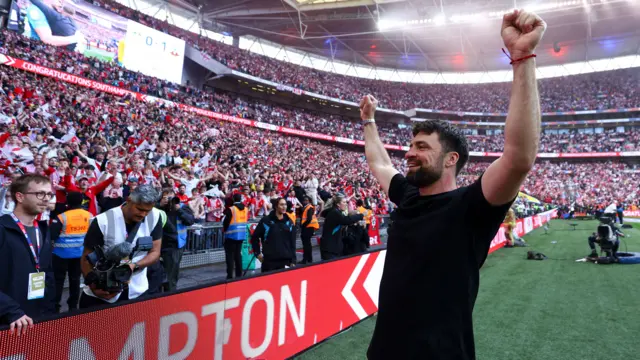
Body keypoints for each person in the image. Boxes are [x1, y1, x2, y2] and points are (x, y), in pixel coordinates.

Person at [362, 10, 546, 359]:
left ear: (451, 159)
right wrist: (369, 121)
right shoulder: (408, 195)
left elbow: (519, 156)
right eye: (411, 145)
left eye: (421, 147)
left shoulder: (471, 207)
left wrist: (522, 58)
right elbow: (380, 163)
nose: (410, 153)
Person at [79, 185, 162, 309]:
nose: (143, 214)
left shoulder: (155, 216)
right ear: (128, 200)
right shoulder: (102, 221)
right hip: (102, 294)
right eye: (139, 209)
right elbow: (86, 257)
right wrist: (93, 285)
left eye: (147, 211)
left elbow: (155, 251)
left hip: (137, 291)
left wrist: (134, 266)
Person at [0, 174, 56, 335]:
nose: (46, 199)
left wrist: (50, 311)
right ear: (20, 196)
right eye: (40, 194)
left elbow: (47, 272)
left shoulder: (43, 230)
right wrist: (11, 311)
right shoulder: (3, 228)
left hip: (37, 318)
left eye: (49, 194)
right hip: (9, 322)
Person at [49, 191, 92, 312]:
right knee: (75, 279)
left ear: (68, 202)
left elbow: (52, 235)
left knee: (58, 280)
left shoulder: (62, 217)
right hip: (79, 254)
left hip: (60, 254)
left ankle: (55, 306)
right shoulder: (89, 215)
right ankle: (73, 306)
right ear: (81, 201)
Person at [157, 189, 195, 292]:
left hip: (175, 246)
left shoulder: (182, 207)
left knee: (171, 274)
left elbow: (190, 221)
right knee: (157, 274)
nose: (169, 200)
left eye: (171, 197)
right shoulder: (159, 208)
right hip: (158, 245)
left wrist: (179, 210)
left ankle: (170, 294)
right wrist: (160, 205)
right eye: (166, 197)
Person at [251, 198, 296, 273]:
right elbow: (254, 238)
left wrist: (293, 261)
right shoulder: (265, 221)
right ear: (276, 206)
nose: (284, 207)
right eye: (281, 205)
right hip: (269, 262)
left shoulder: (289, 222)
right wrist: (257, 253)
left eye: (285, 204)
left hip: (286, 261)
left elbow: (292, 242)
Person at [319, 194, 364, 260]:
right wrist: (361, 215)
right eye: (344, 202)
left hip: (334, 248)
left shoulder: (336, 212)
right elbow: (346, 220)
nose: (346, 204)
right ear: (338, 204)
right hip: (330, 249)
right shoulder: (334, 212)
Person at [222, 193, 248, 279]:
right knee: (238, 255)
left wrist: (225, 230)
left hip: (231, 236)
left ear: (233, 199)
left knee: (230, 256)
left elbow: (226, 222)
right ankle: (239, 274)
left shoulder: (231, 209)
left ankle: (230, 275)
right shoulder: (246, 209)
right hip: (241, 235)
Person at [300, 195, 320, 264]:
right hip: (308, 227)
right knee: (307, 244)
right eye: (304, 200)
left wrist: (303, 225)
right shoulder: (306, 207)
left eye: (306, 200)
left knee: (306, 244)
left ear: (309, 201)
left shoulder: (309, 208)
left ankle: (306, 259)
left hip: (308, 227)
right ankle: (308, 259)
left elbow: (309, 219)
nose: (305, 201)